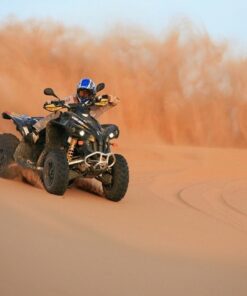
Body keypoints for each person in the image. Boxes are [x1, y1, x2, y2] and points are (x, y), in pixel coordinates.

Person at [26, 78, 119, 143]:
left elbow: (115, 102)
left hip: (89, 131)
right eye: (82, 92)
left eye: (87, 93)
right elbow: (62, 102)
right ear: (78, 92)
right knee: (58, 114)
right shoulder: (72, 99)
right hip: (72, 126)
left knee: (105, 134)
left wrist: (109, 97)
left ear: (92, 93)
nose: (84, 95)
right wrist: (54, 102)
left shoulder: (97, 105)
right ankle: (35, 132)